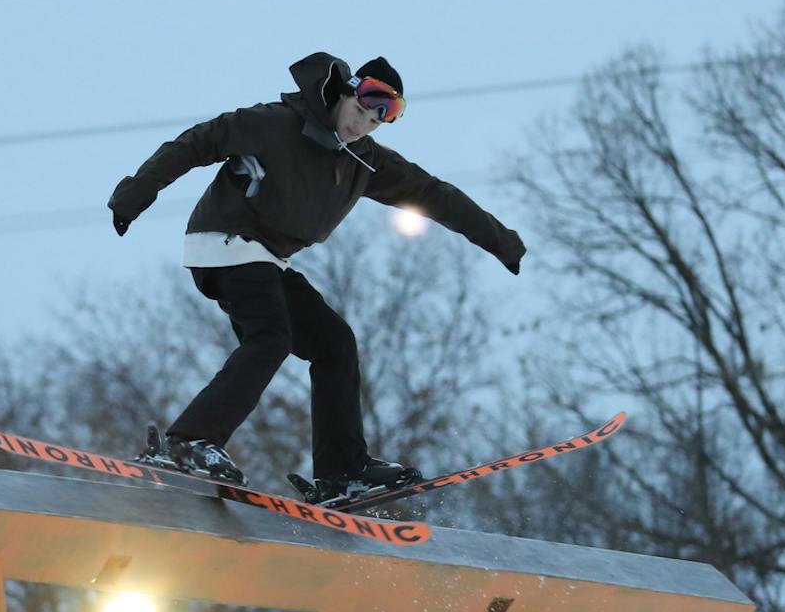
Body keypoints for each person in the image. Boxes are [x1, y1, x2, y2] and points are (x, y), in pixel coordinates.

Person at [107, 51, 525, 500]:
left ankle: (341, 472)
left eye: (382, 117)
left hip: (269, 260)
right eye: (364, 105)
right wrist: (136, 192)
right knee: (271, 338)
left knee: (335, 344)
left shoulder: (365, 162)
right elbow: (197, 141)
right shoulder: (276, 123)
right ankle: (190, 442)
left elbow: (432, 194)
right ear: (346, 90)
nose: (366, 121)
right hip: (226, 241)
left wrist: (499, 239)